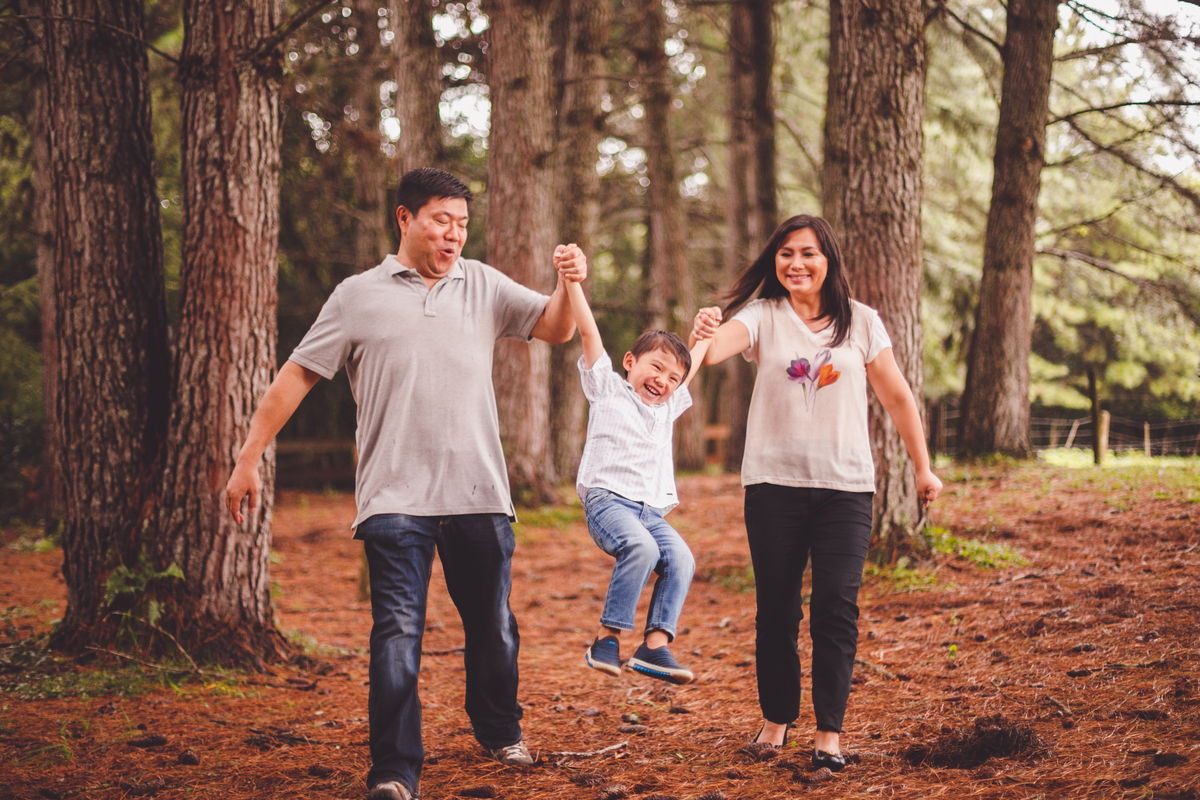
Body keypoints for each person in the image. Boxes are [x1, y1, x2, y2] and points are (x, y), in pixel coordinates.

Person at [223, 168, 587, 800]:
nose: (453, 235)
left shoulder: (483, 284)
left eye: (463, 224)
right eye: (441, 220)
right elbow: (297, 376)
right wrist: (248, 455)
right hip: (394, 501)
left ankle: (500, 730)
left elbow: (556, 329)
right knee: (395, 633)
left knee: (494, 627)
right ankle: (394, 769)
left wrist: (568, 281)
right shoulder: (356, 295)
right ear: (405, 218)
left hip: (479, 495)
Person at [690, 214, 942, 772]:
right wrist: (703, 331)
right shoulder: (762, 316)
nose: (796, 264)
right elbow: (710, 353)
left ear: (828, 259)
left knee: (837, 609)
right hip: (773, 485)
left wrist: (923, 469)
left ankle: (830, 732)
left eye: (807, 254)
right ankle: (776, 719)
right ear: (773, 262)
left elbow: (898, 398)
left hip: (846, 489)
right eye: (785, 254)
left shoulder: (862, 323)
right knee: (776, 609)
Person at [556, 252, 716, 686]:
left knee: (681, 558)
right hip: (608, 501)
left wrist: (702, 335)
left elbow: (692, 367)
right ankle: (606, 639)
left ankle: (655, 647)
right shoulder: (607, 388)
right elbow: (588, 332)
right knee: (642, 550)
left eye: (672, 378)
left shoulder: (666, 408)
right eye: (656, 367)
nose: (663, 380)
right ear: (630, 362)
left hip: (651, 511)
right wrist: (573, 281)